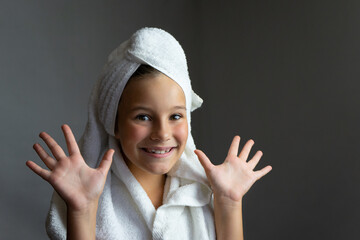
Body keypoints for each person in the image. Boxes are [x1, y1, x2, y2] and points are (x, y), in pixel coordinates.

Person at [26, 27, 272, 240]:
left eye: (175, 116)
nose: (162, 133)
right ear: (115, 123)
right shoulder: (92, 196)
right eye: (143, 117)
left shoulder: (205, 192)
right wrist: (81, 209)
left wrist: (229, 202)